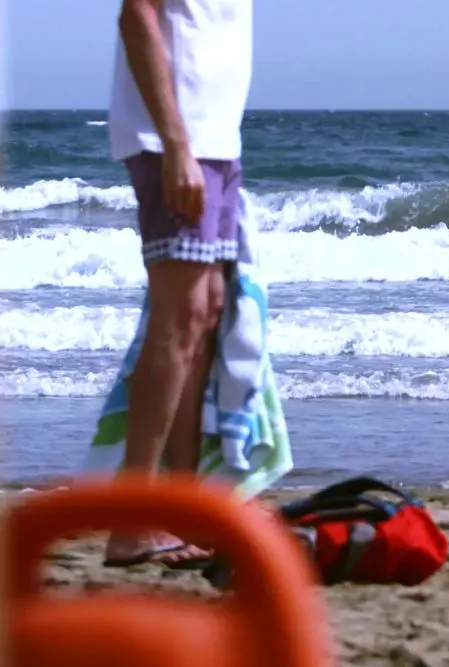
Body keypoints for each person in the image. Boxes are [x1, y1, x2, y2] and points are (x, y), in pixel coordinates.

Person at [102, 0, 253, 567]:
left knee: (206, 311)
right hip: (177, 139)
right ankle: (132, 519)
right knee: (180, 314)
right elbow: (136, 14)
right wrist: (177, 145)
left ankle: (180, 510)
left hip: (216, 140)